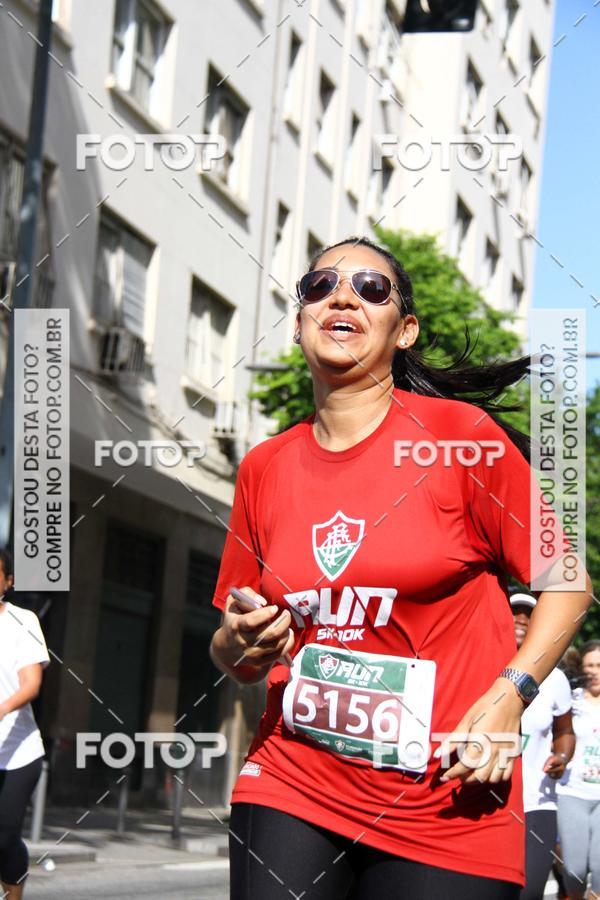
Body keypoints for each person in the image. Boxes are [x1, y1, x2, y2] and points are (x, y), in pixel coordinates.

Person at [209, 236, 593, 899]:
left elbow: (568, 582)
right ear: (300, 318)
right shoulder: (265, 466)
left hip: (448, 795)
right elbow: (234, 653)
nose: (342, 295)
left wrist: (511, 695)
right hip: (294, 778)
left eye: (371, 288)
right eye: (320, 284)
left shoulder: (460, 439)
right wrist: (239, 643)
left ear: (404, 330)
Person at [510, 592, 575, 900]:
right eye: (515, 612)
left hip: (536, 806)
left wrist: (561, 756)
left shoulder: (556, 679)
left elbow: (565, 733)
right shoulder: (477, 664)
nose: (522, 620)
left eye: (529, 615)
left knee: (529, 893)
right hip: (484, 805)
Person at [0, 549, 50, 900]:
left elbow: (31, 683)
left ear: (8, 581)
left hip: (18, 752)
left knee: (3, 835)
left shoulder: (24, 620)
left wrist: (1, 709)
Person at [556, 640, 600, 899]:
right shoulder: (570, 702)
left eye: (599, 665)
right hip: (572, 792)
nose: (595, 671)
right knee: (574, 870)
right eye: (590, 665)